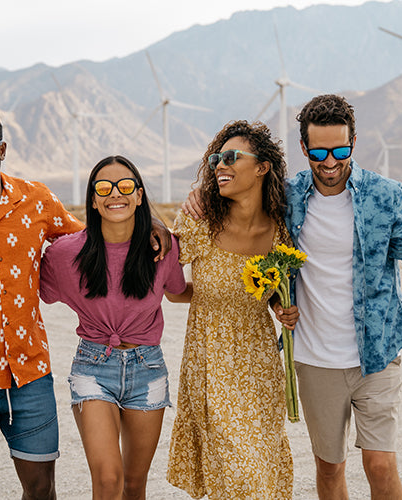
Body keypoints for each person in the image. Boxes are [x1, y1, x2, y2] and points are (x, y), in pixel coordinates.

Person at [0, 109, 171, 500]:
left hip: (30, 375)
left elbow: (96, 237)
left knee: (41, 488)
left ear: (2, 149)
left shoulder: (37, 201)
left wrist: (147, 221)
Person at [183, 95, 402, 500]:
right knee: (329, 467)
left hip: (377, 352)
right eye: (319, 152)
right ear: (304, 148)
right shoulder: (285, 200)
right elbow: (245, 205)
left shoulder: (387, 196)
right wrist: (202, 191)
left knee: (380, 463)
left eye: (340, 150)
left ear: (353, 144)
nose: (329, 162)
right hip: (314, 357)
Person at [39, 155, 190, 499]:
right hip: (92, 368)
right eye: (103, 188)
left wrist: (242, 292)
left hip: (147, 369)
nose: (115, 194)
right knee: (108, 480)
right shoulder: (66, 254)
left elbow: (179, 292)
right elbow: (26, 283)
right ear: (93, 199)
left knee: (134, 485)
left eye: (125, 186)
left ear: (139, 195)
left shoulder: (162, 249)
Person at [166, 120, 299, 499]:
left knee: (262, 470)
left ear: (262, 167)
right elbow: (171, 289)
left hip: (259, 368)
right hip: (210, 363)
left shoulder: (281, 232)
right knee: (238, 474)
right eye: (214, 161)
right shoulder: (200, 223)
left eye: (230, 158)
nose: (219, 166)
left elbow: (273, 291)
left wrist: (281, 307)